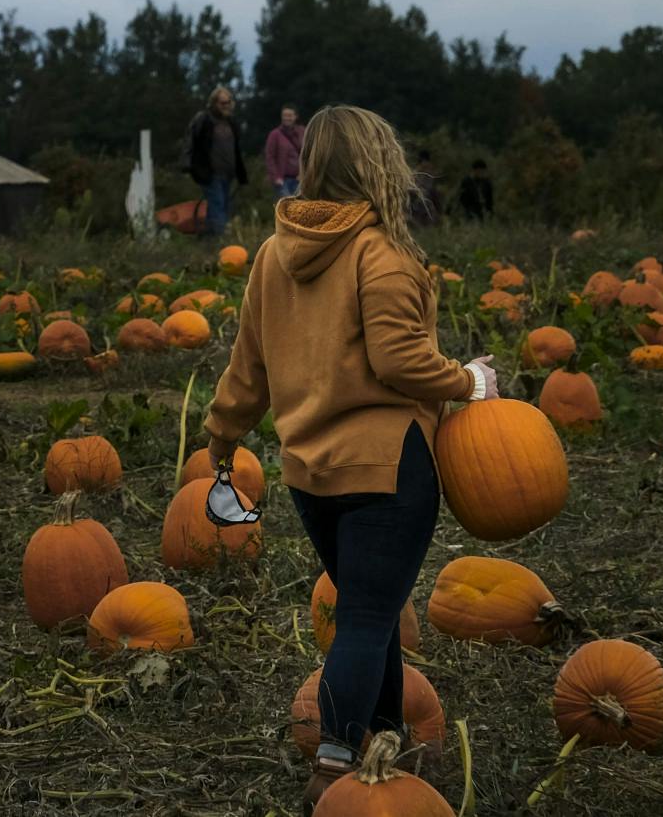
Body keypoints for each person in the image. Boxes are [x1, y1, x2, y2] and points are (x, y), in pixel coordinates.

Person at [200, 105, 498, 809]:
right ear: (378, 164)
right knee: (368, 616)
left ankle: (388, 740)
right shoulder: (380, 251)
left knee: (373, 605)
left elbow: (249, 368)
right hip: (388, 468)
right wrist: (470, 381)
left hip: (311, 475)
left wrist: (221, 434)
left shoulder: (273, 254)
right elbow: (401, 359)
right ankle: (334, 769)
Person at [183, 86, 248, 236]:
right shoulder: (203, 119)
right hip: (210, 173)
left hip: (228, 173)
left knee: (224, 206)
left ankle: (210, 238)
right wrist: (188, 165)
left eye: (228, 102)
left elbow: (237, 148)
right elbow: (190, 141)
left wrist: (241, 173)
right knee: (217, 205)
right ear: (214, 103)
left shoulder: (231, 122)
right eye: (222, 102)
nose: (226, 105)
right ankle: (221, 240)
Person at [263, 104, 306, 198]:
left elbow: (307, 154)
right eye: (285, 115)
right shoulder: (275, 135)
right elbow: (269, 157)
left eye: (289, 115)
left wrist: (304, 173)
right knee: (285, 208)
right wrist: (276, 177)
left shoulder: (302, 132)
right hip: (283, 180)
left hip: (299, 179)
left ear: (296, 116)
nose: (287, 118)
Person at [410, 150, 442, 229]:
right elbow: (413, 184)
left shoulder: (429, 170)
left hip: (426, 194)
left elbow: (430, 184)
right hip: (417, 194)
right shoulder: (417, 171)